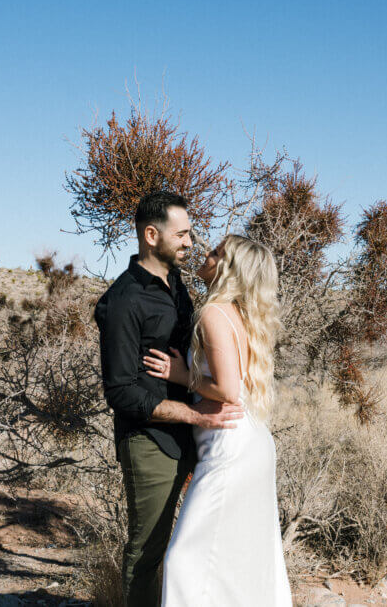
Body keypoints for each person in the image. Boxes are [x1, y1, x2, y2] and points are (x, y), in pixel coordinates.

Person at [94, 191, 245, 607]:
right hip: (150, 441)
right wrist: (195, 415)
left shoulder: (176, 285)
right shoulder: (122, 302)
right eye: (181, 234)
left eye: (191, 234)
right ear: (150, 235)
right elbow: (121, 391)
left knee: (195, 543)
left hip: (193, 436)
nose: (190, 242)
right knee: (148, 551)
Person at [143, 234, 293, 606]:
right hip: (250, 439)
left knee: (186, 557)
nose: (205, 255)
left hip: (230, 443)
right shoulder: (243, 316)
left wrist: (181, 375)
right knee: (245, 557)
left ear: (229, 269)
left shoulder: (214, 313)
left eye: (216, 253)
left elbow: (226, 389)